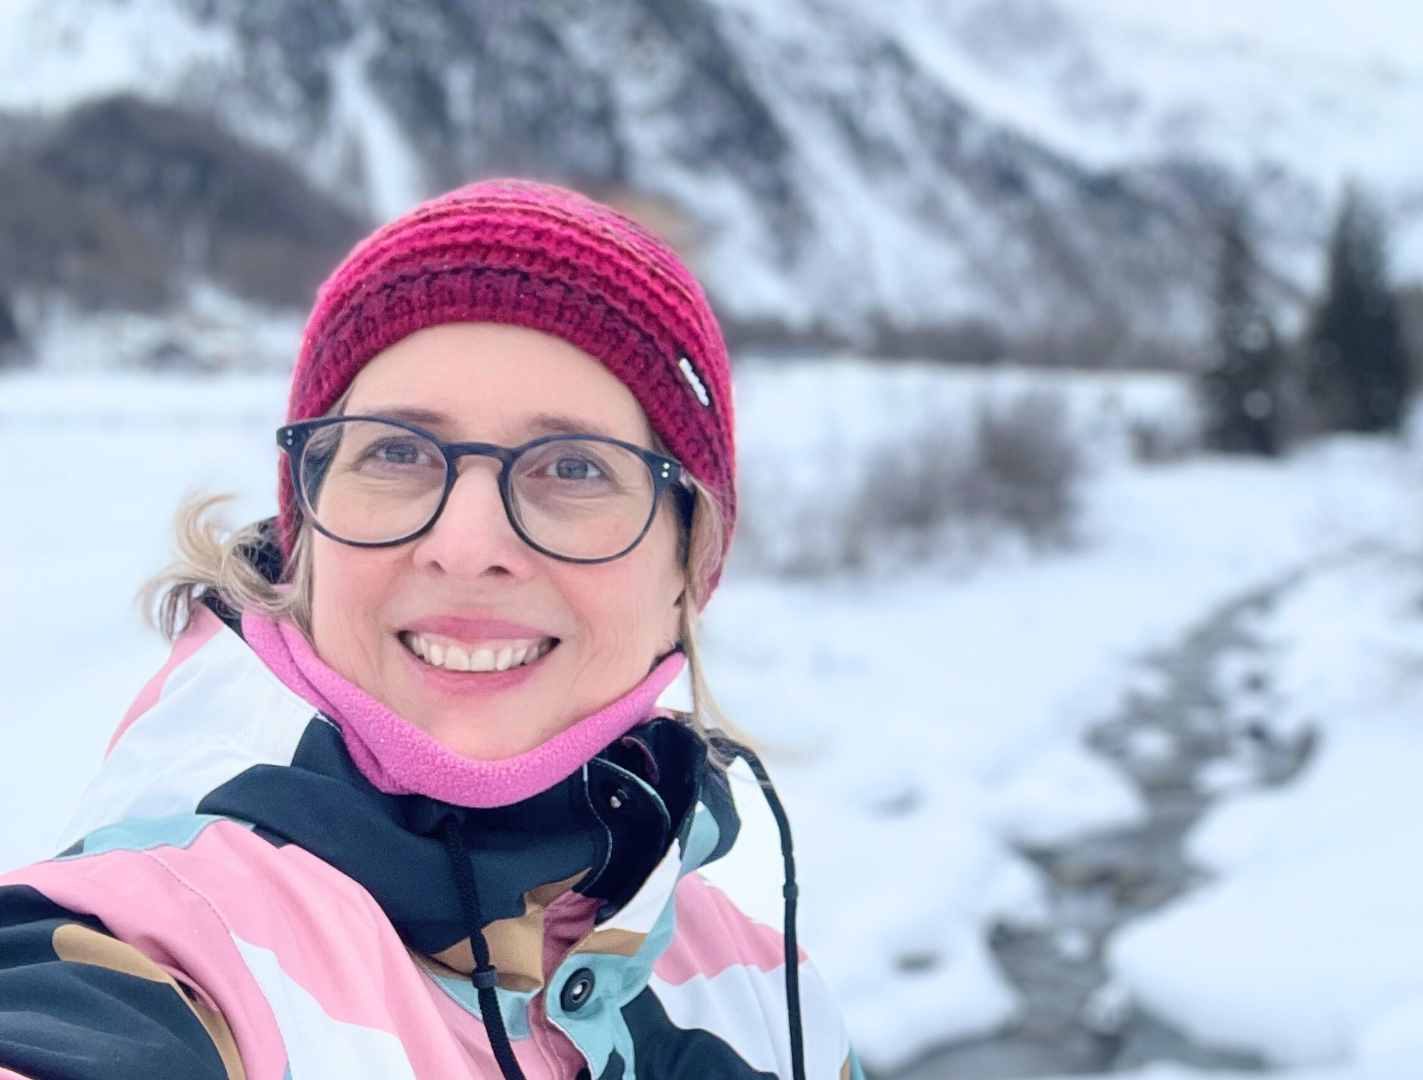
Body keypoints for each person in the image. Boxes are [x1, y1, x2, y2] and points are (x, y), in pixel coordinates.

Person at [0, 180, 861, 1080]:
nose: (465, 546)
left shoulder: (768, 992)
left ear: (688, 562)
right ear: (308, 528)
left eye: (573, 466)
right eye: (398, 453)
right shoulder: (163, 943)